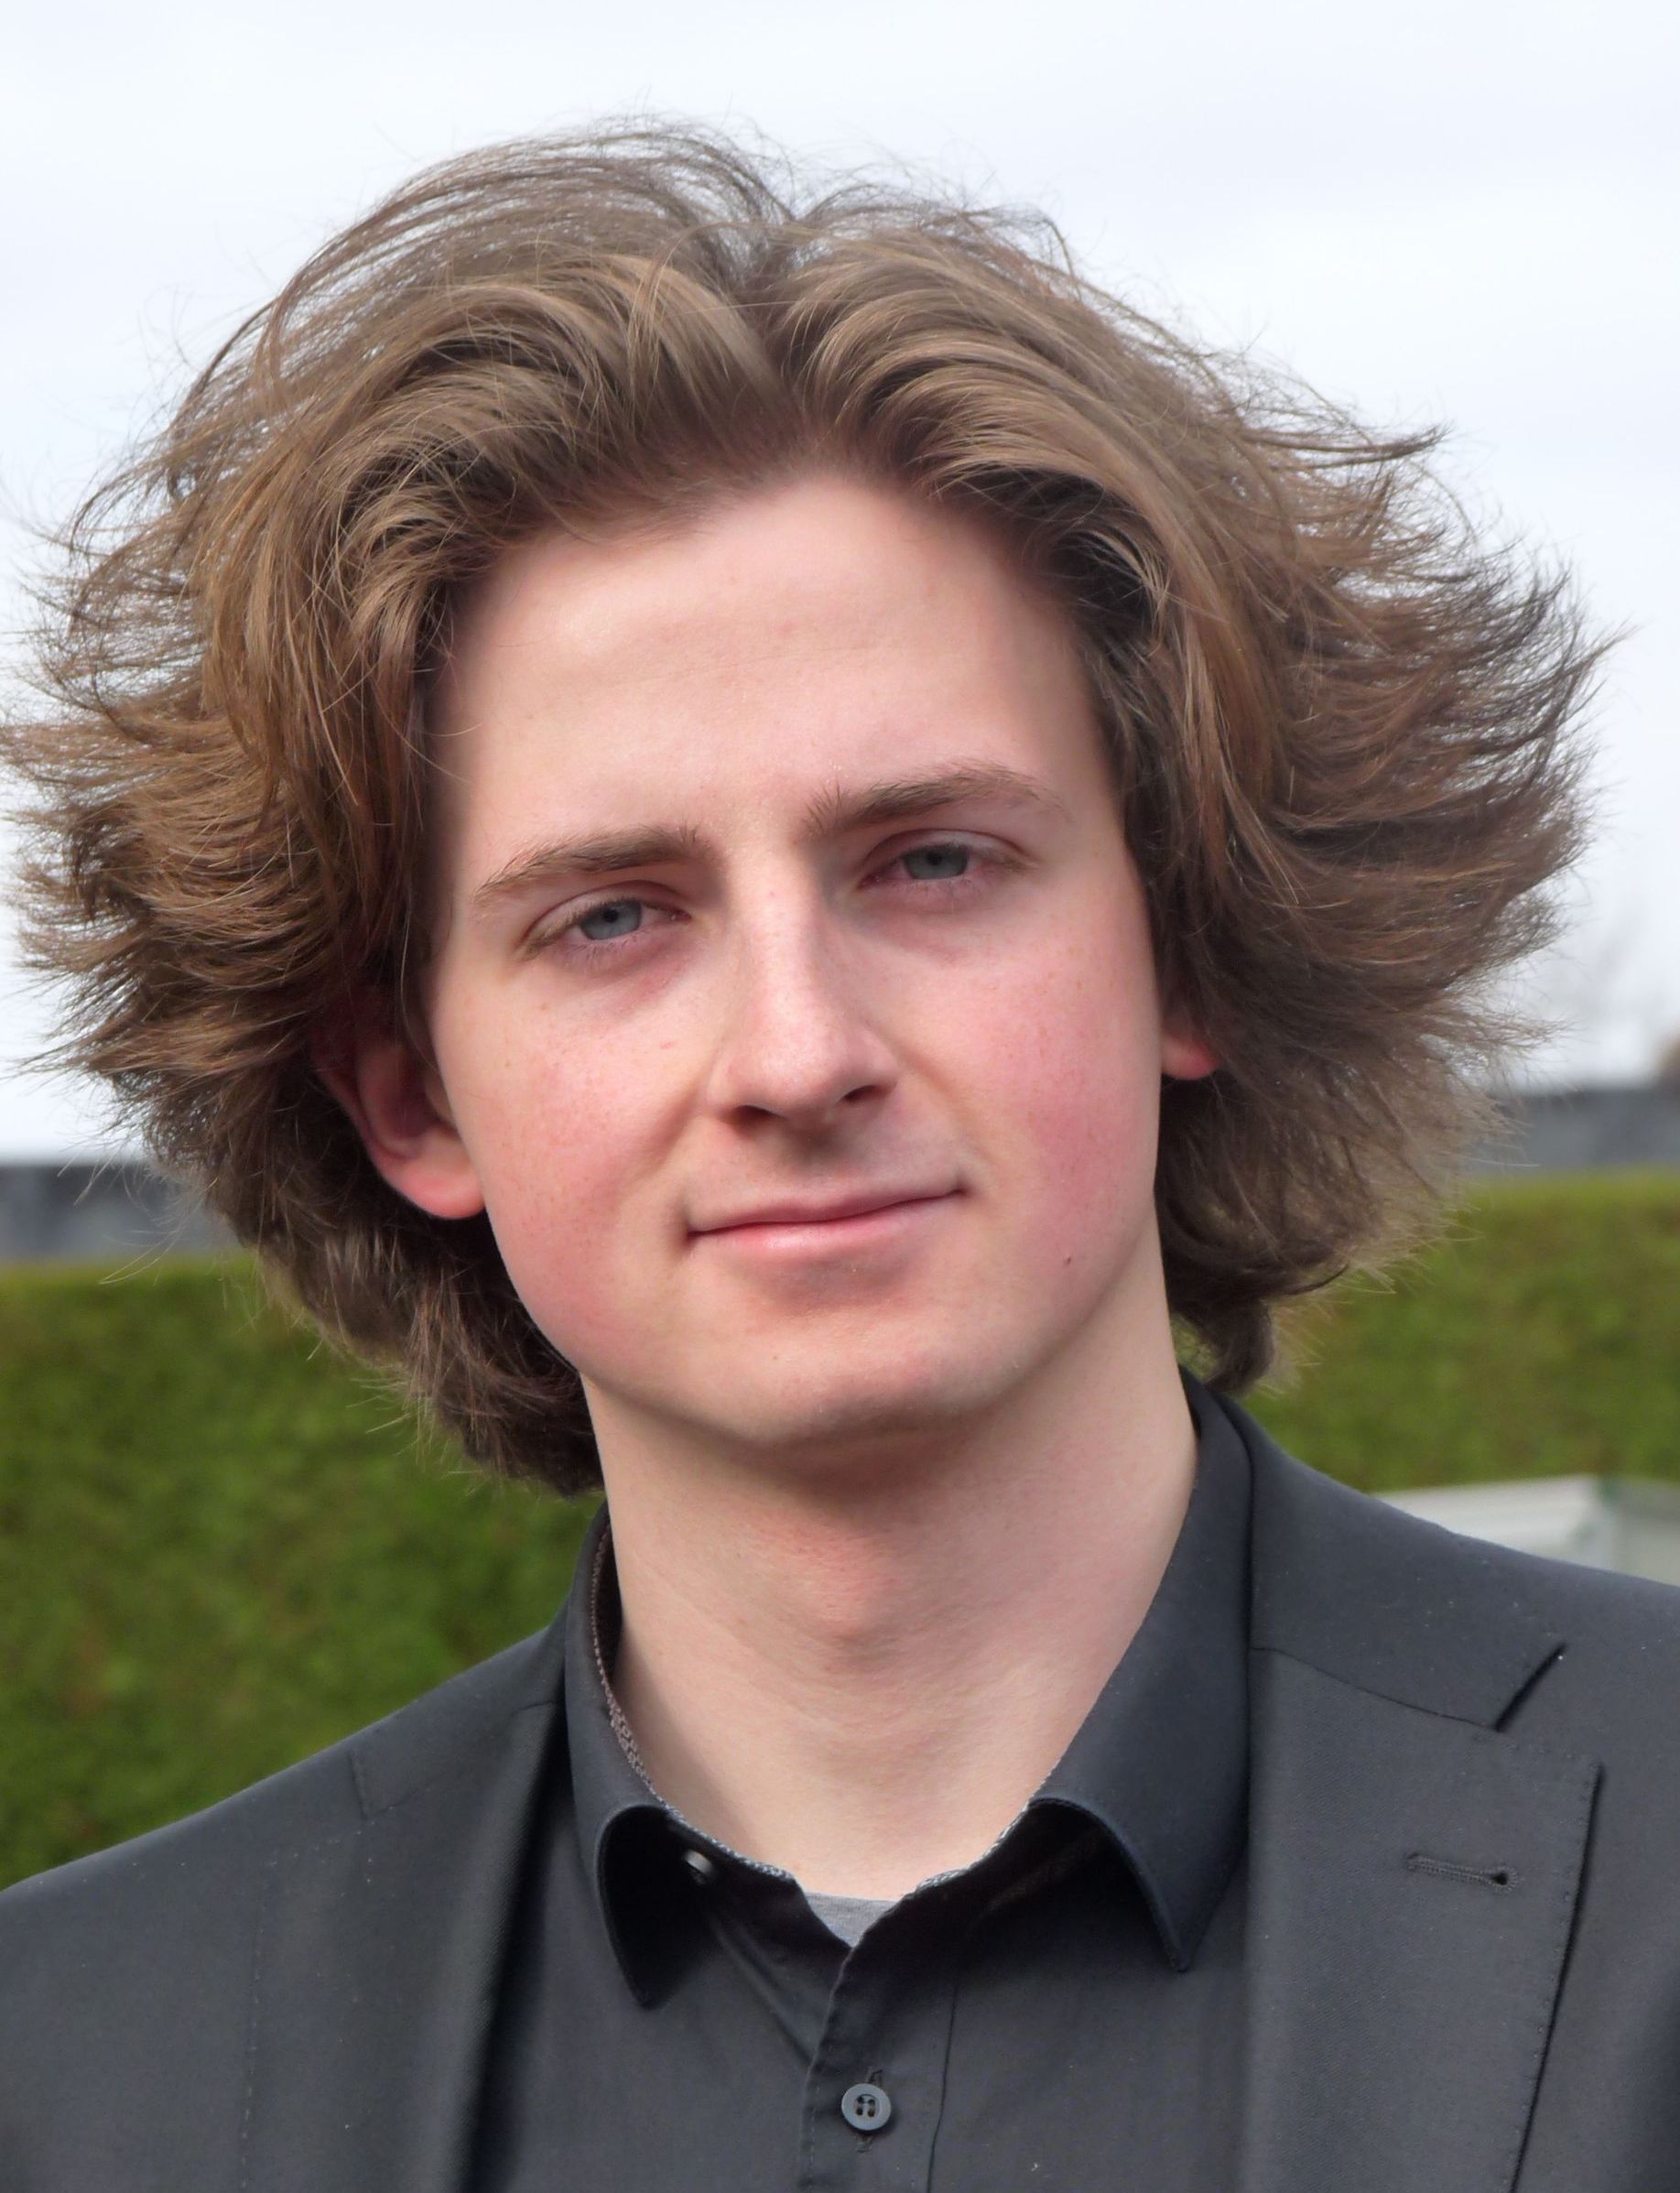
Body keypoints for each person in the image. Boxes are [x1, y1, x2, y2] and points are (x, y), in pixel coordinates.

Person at [0, 120, 1674, 2193]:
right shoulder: (78, 2077)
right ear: (408, 1096)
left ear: (1185, 940)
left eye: (932, 859)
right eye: (614, 915)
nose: (797, 1053)